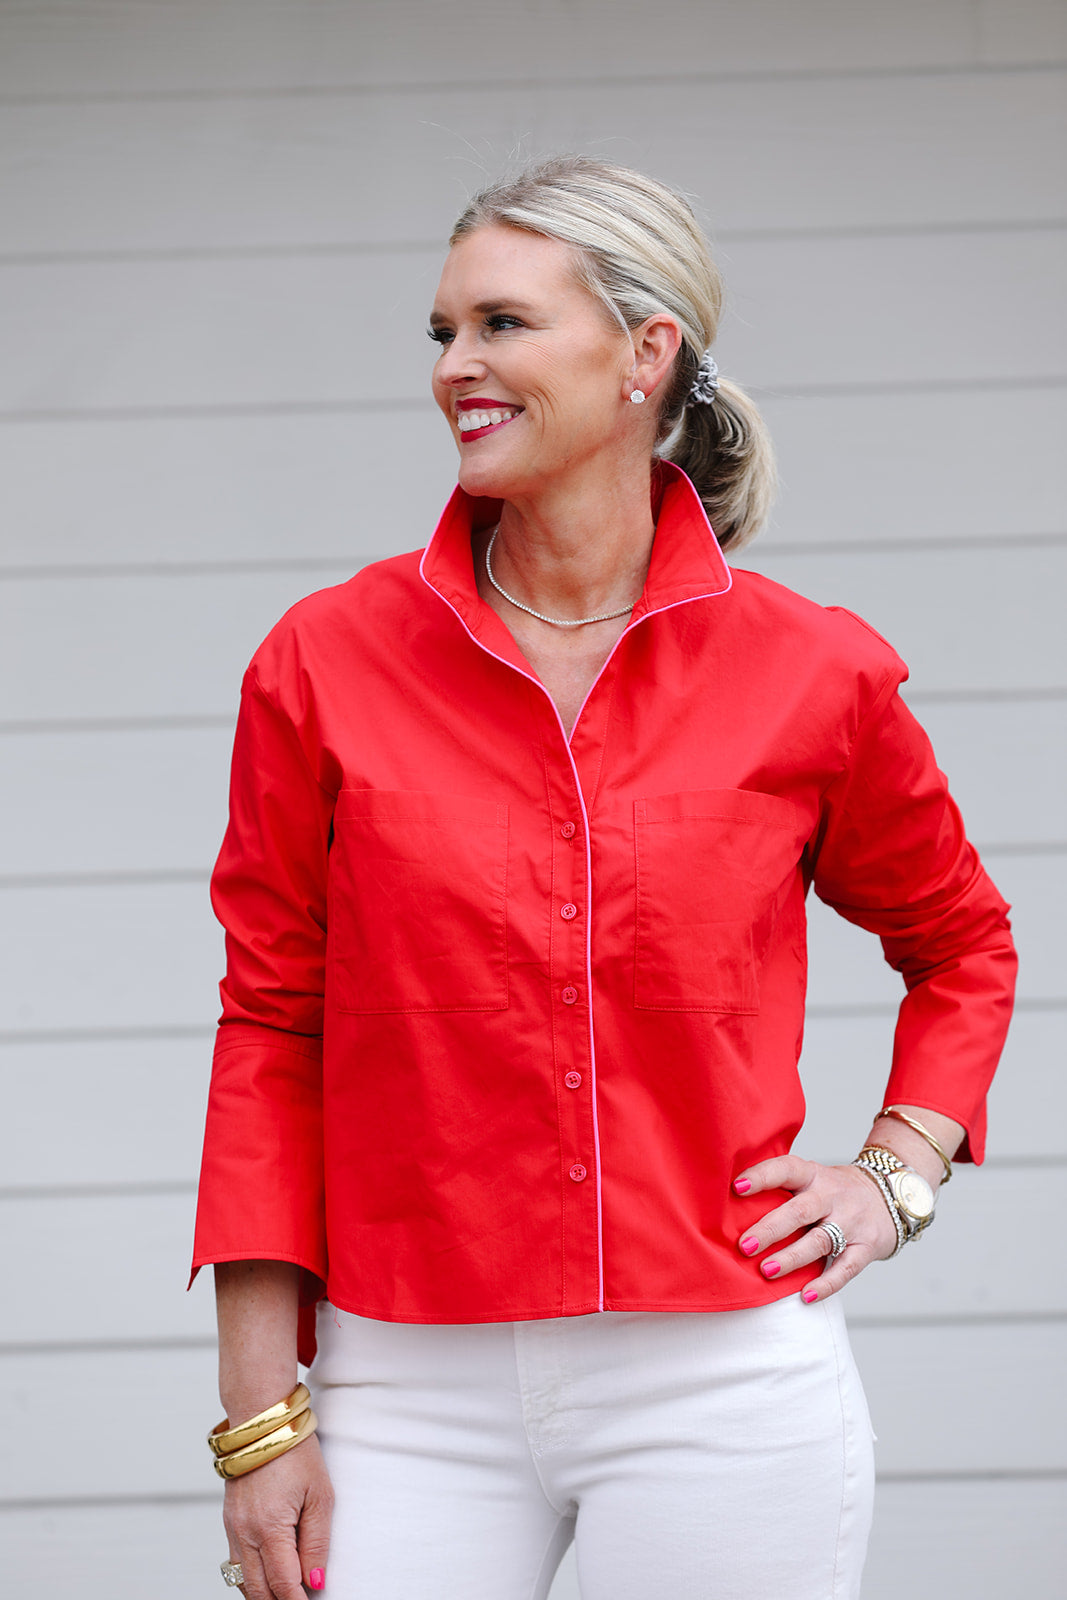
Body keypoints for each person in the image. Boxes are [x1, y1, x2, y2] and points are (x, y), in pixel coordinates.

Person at [191, 156, 1017, 1600]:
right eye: (443, 333)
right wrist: (261, 1419)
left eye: (502, 325)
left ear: (647, 354)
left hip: (722, 1382)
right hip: (403, 1378)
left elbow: (962, 942)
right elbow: (271, 1028)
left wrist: (899, 1173)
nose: (458, 368)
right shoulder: (324, 660)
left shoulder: (810, 670)